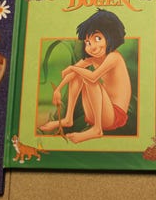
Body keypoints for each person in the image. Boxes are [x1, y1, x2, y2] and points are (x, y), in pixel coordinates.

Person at [40, 10, 132, 143]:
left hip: (114, 115)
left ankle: (97, 129)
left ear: (111, 37)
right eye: (88, 42)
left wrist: (72, 68)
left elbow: (92, 77)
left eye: (98, 39)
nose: (92, 47)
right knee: (79, 74)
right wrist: (58, 89)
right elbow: (72, 74)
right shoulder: (93, 59)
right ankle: (68, 119)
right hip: (99, 112)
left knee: (89, 79)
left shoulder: (114, 57)